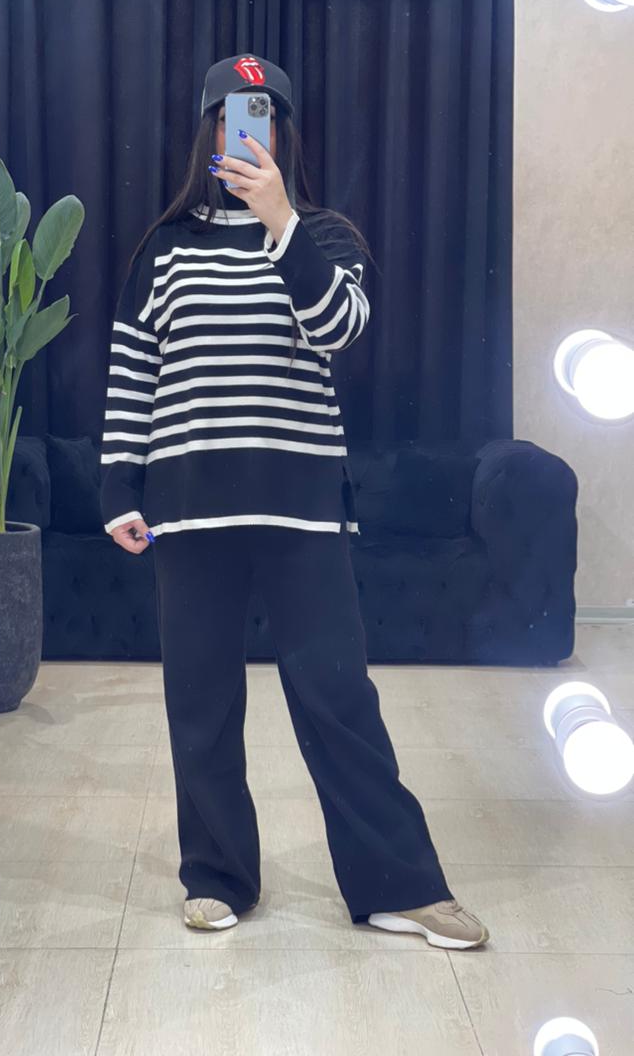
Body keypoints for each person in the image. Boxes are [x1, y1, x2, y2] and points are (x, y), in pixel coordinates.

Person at [100, 54, 489, 950]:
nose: (251, 129)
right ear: (209, 133)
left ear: (284, 133)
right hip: (192, 508)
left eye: (266, 114)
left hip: (302, 507)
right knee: (200, 703)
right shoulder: (165, 248)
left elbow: (338, 330)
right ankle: (217, 875)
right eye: (235, 115)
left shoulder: (325, 237)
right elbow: (132, 370)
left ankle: (399, 886)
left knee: (338, 697)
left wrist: (281, 223)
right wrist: (120, 484)